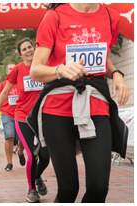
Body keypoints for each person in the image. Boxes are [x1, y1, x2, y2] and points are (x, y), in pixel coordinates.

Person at [29, 3, 129, 202]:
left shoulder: (110, 16)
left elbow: (102, 57)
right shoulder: (54, 16)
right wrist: (59, 70)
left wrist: (116, 74)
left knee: (99, 187)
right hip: (57, 109)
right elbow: (36, 70)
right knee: (68, 189)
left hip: (96, 104)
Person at [0, 38, 50, 203]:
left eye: (30, 47)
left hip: (43, 117)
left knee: (46, 156)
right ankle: (31, 190)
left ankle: (36, 177)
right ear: (20, 54)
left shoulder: (44, 65)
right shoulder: (17, 69)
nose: (28, 50)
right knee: (32, 155)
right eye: (24, 49)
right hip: (23, 117)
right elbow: (4, 93)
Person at [0, 64, 25, 171]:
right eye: (10, 69)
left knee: (22, 137)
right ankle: (9, 162)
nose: (12, 70)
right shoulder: (2, 85)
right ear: (7, 71)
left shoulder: (22, 83)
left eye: (14, 68)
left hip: (21, 113)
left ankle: (20, 151)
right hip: (7, 114)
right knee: (9, 137)